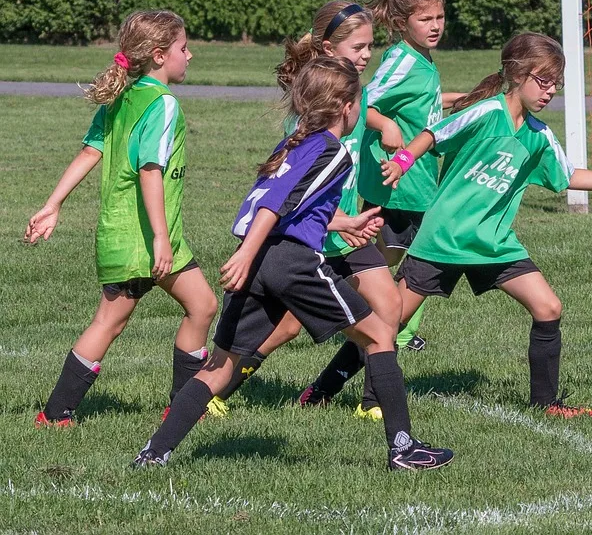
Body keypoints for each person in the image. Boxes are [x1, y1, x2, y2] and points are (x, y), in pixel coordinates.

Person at [132, 56, 454, 471]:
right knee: (379, 335)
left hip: (265, 257)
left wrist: (344, 221)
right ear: (345, 107)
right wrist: (246, 254)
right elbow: (274, 204)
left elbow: (283, 207)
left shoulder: (296, 144)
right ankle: (404, 448)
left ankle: (154, 452)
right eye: (360, 102)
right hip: (289, 261)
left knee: (219, 365)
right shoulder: (333, 151)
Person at [380, 32, 592, 418]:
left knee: (549, 307)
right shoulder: (486, 112)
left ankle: (546, 404)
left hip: (493, 243)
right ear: (517, 75)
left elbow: (567, 175)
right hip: (444, 238)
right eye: (543, 80)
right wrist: (402, 162)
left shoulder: (538, 136)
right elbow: (435, 133)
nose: (550, 91)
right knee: (389, 319)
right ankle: (338, 390)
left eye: (556, 83)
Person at [204, 2, 403, 421]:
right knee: (286, 326)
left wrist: (384, 125)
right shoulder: (307, 116)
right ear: (329, 49)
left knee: (388, 306)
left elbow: (362, 113)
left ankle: (373, 403)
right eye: (359, 47)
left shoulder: (354, 95)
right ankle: (220, 389)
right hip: (308, 233)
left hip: (345, 225)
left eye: (371, 46)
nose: (368, 55)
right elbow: (288, 196)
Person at [27, 10, 219, 427]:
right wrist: (162, 239)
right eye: (183, 48)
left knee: (112, 321)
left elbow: (89, 153)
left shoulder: (122, 98)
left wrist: (53, 204)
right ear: (158, 55)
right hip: (147, 240)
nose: (191, 55)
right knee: (202, 306)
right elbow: (151, 171)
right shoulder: (163, 104)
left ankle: (56, 413)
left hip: (118, 235)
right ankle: (182, 408)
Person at [356, 0, 464, 362]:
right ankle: (382, 327)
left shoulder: (422, 58)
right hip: (397, 182)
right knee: (397, 263)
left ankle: (389, 326)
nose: (436, 25)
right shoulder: (402, 60)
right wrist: (384, 123)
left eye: (439, 16)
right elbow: (357, 101)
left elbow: (421, 104)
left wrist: (461, 102)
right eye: (426, 19)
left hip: (417, 181)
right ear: (403, 23)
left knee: (406, 260)